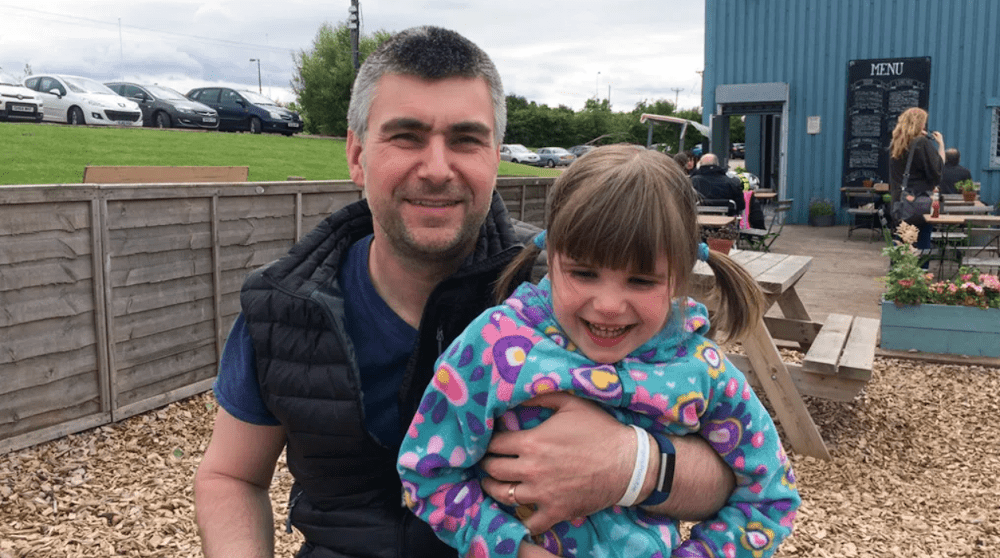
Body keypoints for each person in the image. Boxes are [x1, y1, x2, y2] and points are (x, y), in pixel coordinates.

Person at [193, 26, 735, 558]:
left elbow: (736, 479)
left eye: (465, 140)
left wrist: (633, 463)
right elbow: (231, 475)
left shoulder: (573, 292)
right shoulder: (283, 303)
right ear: (357, 155)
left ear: (495, 156)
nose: (436, 169)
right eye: (406, 136)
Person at [398, 145, 800, 558]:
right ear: (551, 255)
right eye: (584, 273)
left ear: (679, 277)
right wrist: (511, 549)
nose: (608, 305)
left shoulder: (702, 369)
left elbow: (771, 496)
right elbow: (426, 471)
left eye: (641, 281)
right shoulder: (495, 345)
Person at [889, 107, 945, 255]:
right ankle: (921, 269)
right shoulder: (921, 142)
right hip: (918, 202)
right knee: (922, 242)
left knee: (902, 239)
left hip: (901, 202)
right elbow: (937, 171)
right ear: (920, 124)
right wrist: (940, 144)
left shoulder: (897, 144)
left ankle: (899, 268)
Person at [690, 152, 746, 217]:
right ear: (717, 164)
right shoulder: (732, 182)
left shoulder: (692, 182)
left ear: (700, 165)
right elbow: (741, 205)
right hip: (727, 219)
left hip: (699, 219)